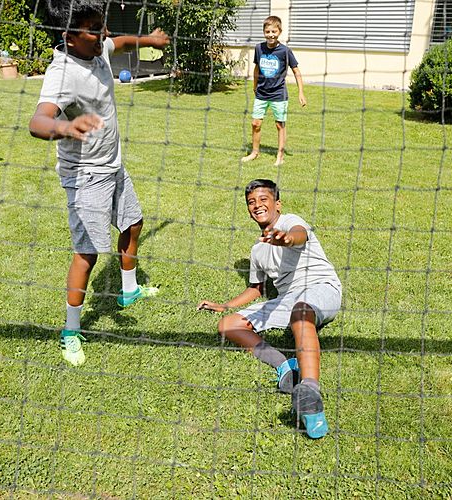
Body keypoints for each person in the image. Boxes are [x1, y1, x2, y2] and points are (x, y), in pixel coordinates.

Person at [29, 0, 169, 367]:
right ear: (69, 36)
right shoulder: (62, 74)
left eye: (102, 26)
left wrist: (149, 41)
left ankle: (128, 291)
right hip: (86, 177)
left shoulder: (97, 48)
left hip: (113, 164)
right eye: (94, 28)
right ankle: (71, 332)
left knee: (133, 223)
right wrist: (64, 127)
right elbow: (37, 121)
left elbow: (118, 42)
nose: (102, 34)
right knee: (88, 254)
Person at [198, 179, 341, 439]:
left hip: (320, 288)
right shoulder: (257, 249)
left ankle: (310, 391)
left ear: (277, 204)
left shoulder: (289, 221)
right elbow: (256, 289)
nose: (257, 205)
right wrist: (225, 306)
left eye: (263, 199)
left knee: (300, 313)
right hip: (287, 298)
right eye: (251, 202)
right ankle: (286, 366)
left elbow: (298, 234)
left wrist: (285, 239)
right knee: (228, 325)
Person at [241, 16, 306, 167]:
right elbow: (257, 68)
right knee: (255, 123)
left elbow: (296, 71)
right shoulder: (259, 48)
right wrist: (255, 85)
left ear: (279, 32)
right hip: (261, 93)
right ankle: (255, 152)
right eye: (267, 31)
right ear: (264, 32)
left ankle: (280, 155)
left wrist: (301, 92)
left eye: (274, 31)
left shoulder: (285, 51)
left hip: (279, 95)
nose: (271, 34)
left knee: (280, 125)